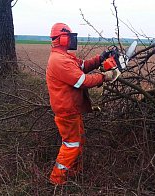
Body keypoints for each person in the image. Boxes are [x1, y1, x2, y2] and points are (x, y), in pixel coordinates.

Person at [46, 23, 118, 185]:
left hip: (71, 109)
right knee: (71, 144)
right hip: (67, 111)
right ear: (63, 38)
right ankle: (57, 180)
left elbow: (83, 66)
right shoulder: (60, 61)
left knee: (79, 141)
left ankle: (73, 172)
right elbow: (82, 81)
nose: (72, 40)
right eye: (70, 37)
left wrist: (101, 58)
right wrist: (105, 76)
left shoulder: (64, 57)